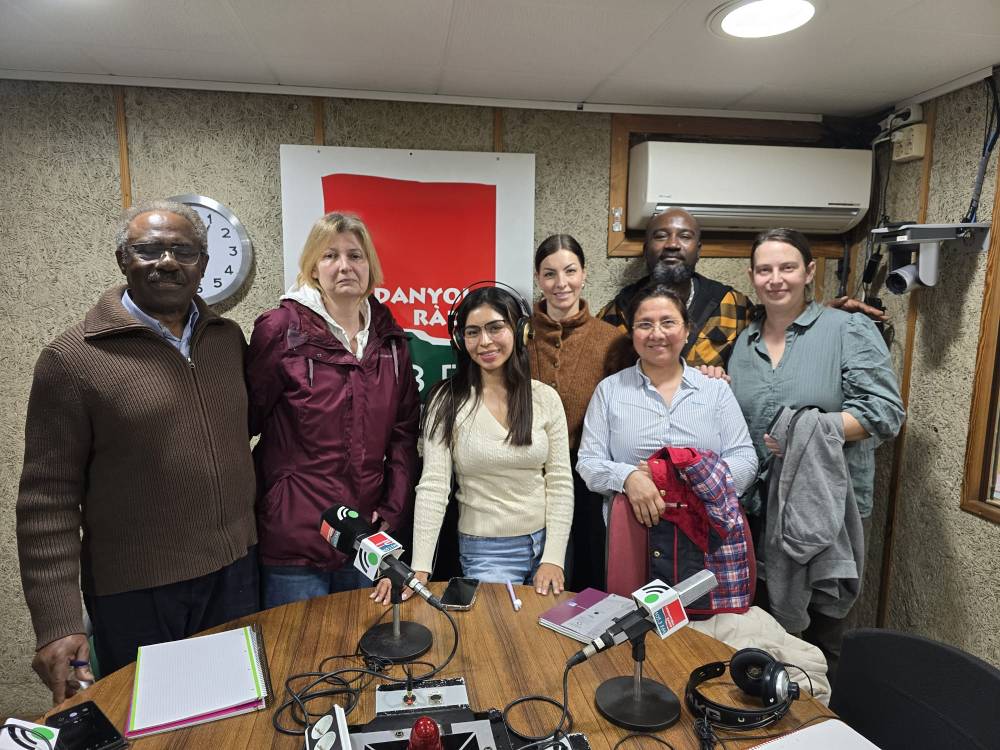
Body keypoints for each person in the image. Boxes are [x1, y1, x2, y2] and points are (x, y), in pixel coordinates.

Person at [16, 200, 259, 703]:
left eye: (183, 250)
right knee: (152, 723)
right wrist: (58, 623)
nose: (167, 261)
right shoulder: (72, 360)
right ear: (122, 259)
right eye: (149, 249)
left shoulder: (226, 340)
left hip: (234, 574)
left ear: (203, 265)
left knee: (235, 714)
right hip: (137, 594)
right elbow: (47, 500)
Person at [728, 228, 904, 678]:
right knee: (769, 635)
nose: (776, 279)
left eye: (787, 267)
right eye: (765, 269)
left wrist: (806, 430)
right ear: (752, 277)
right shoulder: (742, 347)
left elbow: (885, 412)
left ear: (808, 272)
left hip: (827, 508)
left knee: (825, 638)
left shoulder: (847, 329)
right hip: (760, 511)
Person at [246, 212, 420, 609]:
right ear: (312, 267)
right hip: (295, 534)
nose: (344, 266)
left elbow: (403, 434)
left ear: (369, 266)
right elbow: (247, 421)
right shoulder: (280, 330)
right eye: (330, 256)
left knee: (358, 650)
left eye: (355, 256)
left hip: (363, 535)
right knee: (298, 656)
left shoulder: (391, 342)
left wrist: (393, 507)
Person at [409, 286, 573, 596]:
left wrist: (553, 557)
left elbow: (560, 481)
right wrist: (421, 564)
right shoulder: (446, 401)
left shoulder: (545, 398)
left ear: (520, 331)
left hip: (547, 544)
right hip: (485, 551)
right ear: (460, 340)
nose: (485, 341)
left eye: (495, 328)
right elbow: (433, 486)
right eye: (473, 332)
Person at [599, 208, 887, 368]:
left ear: (698, 250)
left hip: (712, 443)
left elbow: (781, 323)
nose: (673, 244)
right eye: (661, 236)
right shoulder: (620, 310)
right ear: (646, 248)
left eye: (684, 236)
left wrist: (823, 313)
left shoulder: (731, 304)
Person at [578, 284, 758, 529]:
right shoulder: (610, 391)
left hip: (708, 527)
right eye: (645, 324)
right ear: (632, 333)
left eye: (668, 322)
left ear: (687, 331)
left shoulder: (714, 389)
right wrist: (627, 477)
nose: (657, 333)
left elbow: (745, 461)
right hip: (634, 530)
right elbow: (588, 462)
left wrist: (683, 477)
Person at [527, 234, 629, 590]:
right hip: (527, 473)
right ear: (538, 278)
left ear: (584, 274)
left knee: (583, 575)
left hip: (586, 478)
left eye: (570, 271)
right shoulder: (516, 335)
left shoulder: (613, 339)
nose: (561, 283)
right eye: (550, 273)